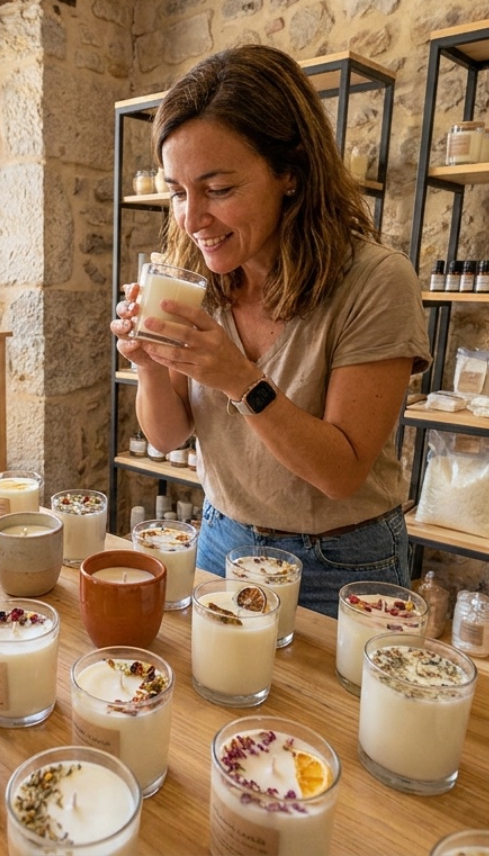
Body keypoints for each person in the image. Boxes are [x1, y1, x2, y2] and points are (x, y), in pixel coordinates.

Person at [109, 45, 430, 616]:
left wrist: (238, 378)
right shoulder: (197, 276)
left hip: (343, 563)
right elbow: (165, 436)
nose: (192, 218)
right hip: (223, 538)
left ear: (291, 171)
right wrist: (149, 366)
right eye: (178, 192)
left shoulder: (376, 280)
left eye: (219, 189)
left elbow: (340, 472)